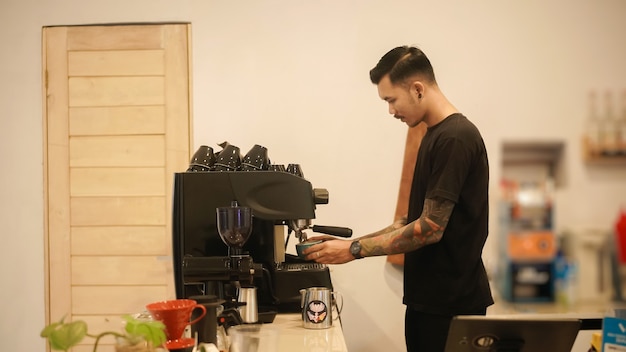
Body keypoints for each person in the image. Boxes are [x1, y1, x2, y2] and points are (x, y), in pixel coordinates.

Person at [303, 45, 494, 352]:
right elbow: (410, 222)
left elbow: (431, 227)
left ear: (417, 89)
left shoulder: (456, 137)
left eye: (391, 100)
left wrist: (353, 250)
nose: (391, 110)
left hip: (451, 305)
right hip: (428, 301)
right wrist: (341, 246)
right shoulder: (433, 134)